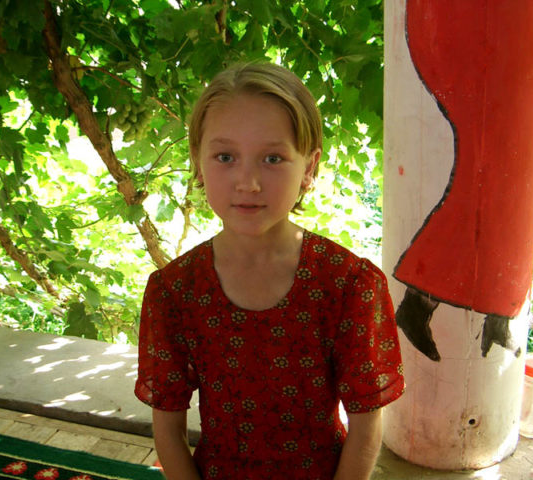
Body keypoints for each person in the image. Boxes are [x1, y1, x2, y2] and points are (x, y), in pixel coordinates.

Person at [134, 62, 405, 480]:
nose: (248, 182)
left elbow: (367, 424)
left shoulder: (348, 284)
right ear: (199, 163)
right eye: (226, 156)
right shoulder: (174, 292)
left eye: (273, 158)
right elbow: (167, 428)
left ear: (309, 168)